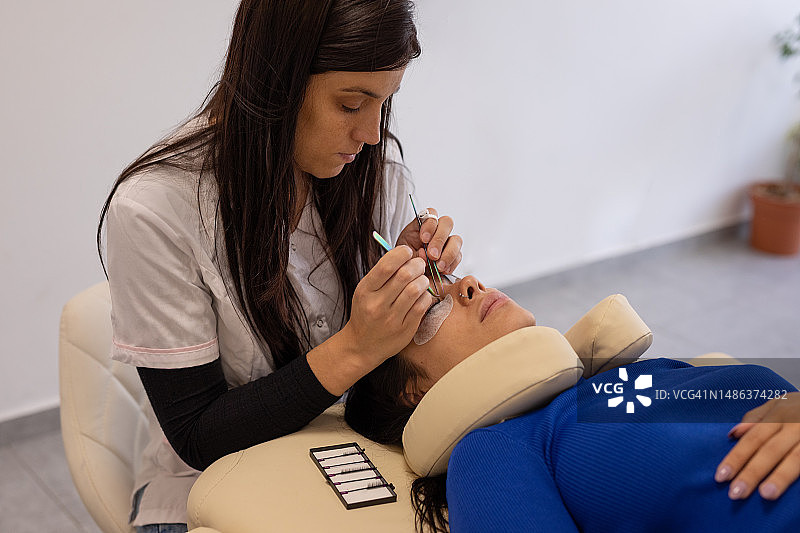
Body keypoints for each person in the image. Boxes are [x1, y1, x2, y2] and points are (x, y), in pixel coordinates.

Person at [97, 2, 464, 531]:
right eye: (352, 104)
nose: (372, 134)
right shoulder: (155, 210)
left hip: (348, 445)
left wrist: (399, 280)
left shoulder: (375, 177)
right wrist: (358, 344)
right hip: (207, 480)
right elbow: (199, 435)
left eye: (384, 104)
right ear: (277, 81)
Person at [345, 275, 800, 533]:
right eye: (432, 310)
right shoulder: (497, 449)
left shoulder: (642, 376)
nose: (468, 281)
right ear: (415, 393)